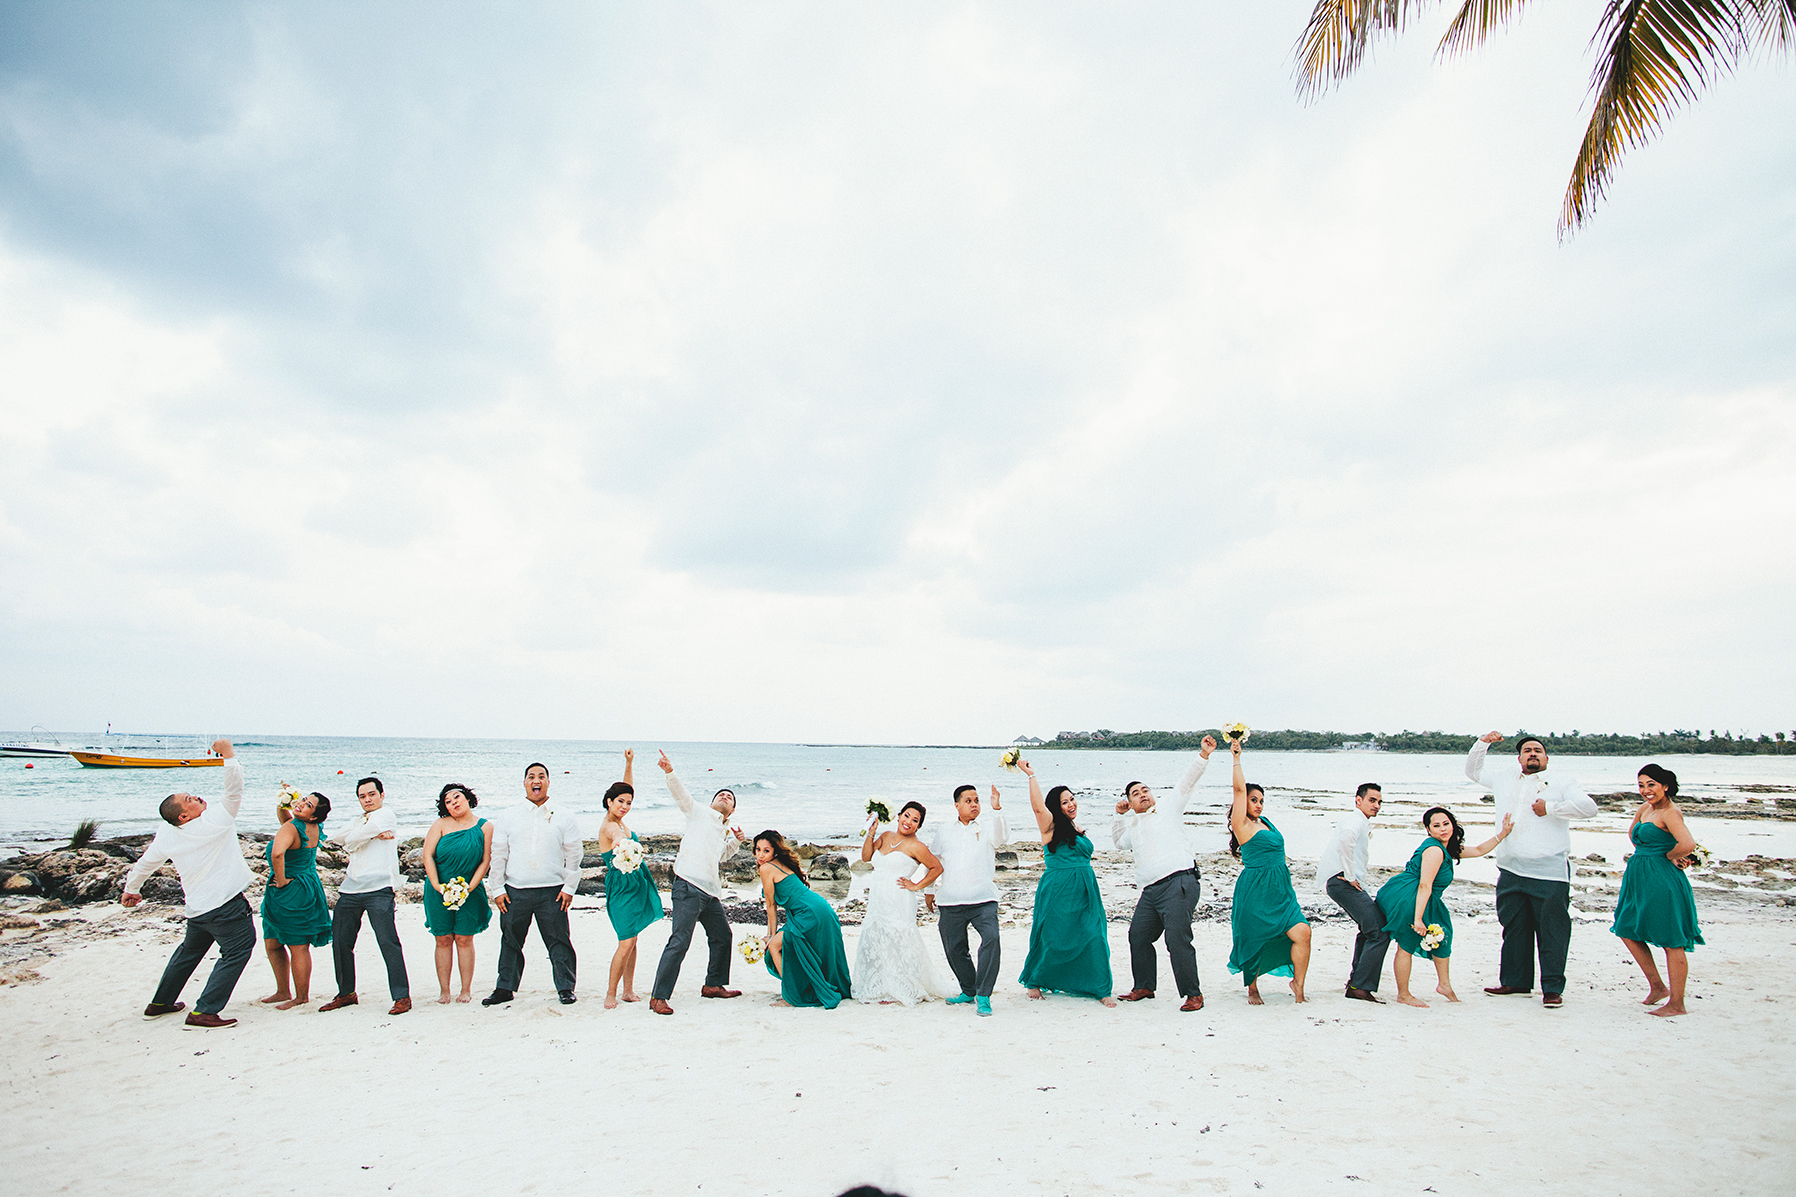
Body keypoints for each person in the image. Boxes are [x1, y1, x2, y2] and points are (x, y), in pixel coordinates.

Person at [121, 739, 257, 1029]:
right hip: (225, 905)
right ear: (184, 816)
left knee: (189, 952)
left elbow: (145, 863)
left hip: (198, 908)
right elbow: (234, 789)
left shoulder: (167, 832)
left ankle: (161, 1003)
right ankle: (204, 1011)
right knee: (237, 950)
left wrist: (132, 889)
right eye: (190, 800)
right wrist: (228, 755)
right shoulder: (216, 821)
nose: (196, 798)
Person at [1467, 732, 1598, 1008]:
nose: (1533, 753)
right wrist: (1483, 743)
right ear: (1519, 758)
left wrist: (1551, 808)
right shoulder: (1505, 778)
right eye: (1527, 750)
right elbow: (1473, 771)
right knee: (1514, 927)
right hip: (1511, 868)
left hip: (1549, 872)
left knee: (1553, 932)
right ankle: (1515, 982)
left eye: (1538, 750)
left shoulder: (1562, 782)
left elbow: (1589, 808)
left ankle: (1552, 988)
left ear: (1547, 758)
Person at [1112, 735, 1217, 1011]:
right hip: (1151, 891)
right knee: (1138, 935)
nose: (1142, 794)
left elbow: (1187, 781)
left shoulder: (1168, 808)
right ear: (1130, 802)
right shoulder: (1134, 826)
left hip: (1179, 882)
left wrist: (1203, 754)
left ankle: (1193, 994)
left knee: (1176, 938)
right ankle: (1144, 986)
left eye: (1145, 790)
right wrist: (1118, 815)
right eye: (1135, 794)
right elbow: (1119, 842)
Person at [1375, 807, 1513, 1007]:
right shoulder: (1434, 851)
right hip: (1409, 896)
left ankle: (1444, 985)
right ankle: (1403, 994)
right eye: (1436, 826)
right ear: (1428, 830)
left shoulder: (1446, 847)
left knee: (1442, 933)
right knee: (1407, 942)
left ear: (1452, 824)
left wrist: (1503, 833)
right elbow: (1425, 885)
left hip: (1418, 894)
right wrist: (1418, 918)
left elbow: (1478, 850)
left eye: (1446, 824)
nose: (1443, 829)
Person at [649, 751, 747, 1015]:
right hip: (688, 886)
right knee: (680, 940)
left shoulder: (722, 829)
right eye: (721, 795)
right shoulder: (699, 813)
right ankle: (658, 997)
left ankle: (713, 985)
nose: (724, 797)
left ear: (732, 810)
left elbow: (722, 855)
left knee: (722, 936)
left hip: (710, 892)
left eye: (729, 797)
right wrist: (670, 771)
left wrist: (737, 841)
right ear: (712, 803)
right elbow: (682, 796)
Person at [482, 762, 583, 1007]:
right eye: (531, 777)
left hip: (553, 891)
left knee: (559, 941)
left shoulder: (564, 815)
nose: (536, 780)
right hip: (515, 891)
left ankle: (566, 988)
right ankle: (505, 988)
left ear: (548, 782)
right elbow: (499, 854)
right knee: (510, 940)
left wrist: (569, 888)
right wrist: (497, 889)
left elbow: (573, 854)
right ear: (525, 783)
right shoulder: (508, 816)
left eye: (541, 776)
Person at [1017, 762, 1116, 1006]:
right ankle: (1035, 981)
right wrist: (1031, 775)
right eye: (1064, 802)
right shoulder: (1049, 827)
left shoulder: (1077, 827)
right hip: (1059, 888)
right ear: (1056, 807)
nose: (1071, 804)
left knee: (1094, 935)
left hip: (1085, 888)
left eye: (1072, 799)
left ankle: (1101, 989)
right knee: (1053, 937)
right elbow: (1038, 808)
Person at [1611, 763, 1704, 1017]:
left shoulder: (1671, 812)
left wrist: (1670, 856)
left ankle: (1677, 1003)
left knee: (1671, 939)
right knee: (1626, 927)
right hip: (1638, 876)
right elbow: (1635, 835)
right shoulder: (1645, 808)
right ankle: (1657, 987)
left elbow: (1687, 843)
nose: (1645, 790)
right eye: (1641, 785)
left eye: (1651, 784)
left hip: (1662, 879)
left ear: (1665, 786)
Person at [1225, 738, 1311, 1004]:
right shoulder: (1241, 825)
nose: (1259, 804)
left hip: (1281, 890)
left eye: (1261, 800)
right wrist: (1236, 757)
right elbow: (1239, 789)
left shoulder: (1265, 822)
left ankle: (1298, 984)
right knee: (1253, 939)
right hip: (1255, 889)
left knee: (1303, 933)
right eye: (1253, 800)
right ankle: (1252, 988)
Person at [321, 776, 411, 1015]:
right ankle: (346, 993)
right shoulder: (357, 820)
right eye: (362, 796)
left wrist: (361, 836)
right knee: (341, 941)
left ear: (382, 795)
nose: (367, 799)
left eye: (371, 794)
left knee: (387, 941)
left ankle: (402, 996)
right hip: (351, 888)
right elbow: (336, 838)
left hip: (379, 888)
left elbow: (351, 840)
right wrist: (368, 834)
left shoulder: (386, 815)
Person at [924, 782, 1007, 1017]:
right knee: (954, 949)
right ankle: (969, 990)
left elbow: (1002, 838)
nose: (974, 804)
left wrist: (997, 809)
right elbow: (933, 861)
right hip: (950, 900)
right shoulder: (945, 830)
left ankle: (984, 994)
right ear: (956, 805)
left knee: (991, 939)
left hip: (983, 899)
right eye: (968, 801)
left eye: (977, 800)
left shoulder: (988, 826)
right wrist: (929, 890)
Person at [852, 800, 945, 1005]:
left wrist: (917, 886)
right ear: (899, 816)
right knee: (877, 938)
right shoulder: (885, 836)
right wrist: (871, 833)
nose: (909, 822)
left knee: (897, 942)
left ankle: (899, 987)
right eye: (907, 816)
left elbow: (937, 868)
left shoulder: (917, 846)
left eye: (915, 820)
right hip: (878, 898)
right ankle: (880, 985)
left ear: (918, 826)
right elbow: (866, 857)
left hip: (899, 900)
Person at [597, 750, 665, 1009]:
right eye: (620, 802)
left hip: (637, 884)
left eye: (628, 803)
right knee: (625, 941)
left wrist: (629, 763)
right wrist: (620, 842)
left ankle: (628, 991)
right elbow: (616, 836)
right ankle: (610, 993)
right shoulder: (609, 826)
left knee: (633, 939)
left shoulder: (620, 818)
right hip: (621, 889)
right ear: (609, 802)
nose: (625, 806)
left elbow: (627, 789)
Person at [757, 830, 854, 1008]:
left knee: (774, 946)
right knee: (786, 947)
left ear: (775, 852)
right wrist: (770, 934)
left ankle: (791, 997)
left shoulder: (766, 868)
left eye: (766, 851)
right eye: (758, 850)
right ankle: (798, 990)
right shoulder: (779, 863)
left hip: (809, 913)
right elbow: (774, 906)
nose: (761, 855)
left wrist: (770, 936)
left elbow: (771, 906)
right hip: (818, 908)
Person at [258, 789, 334, 1010]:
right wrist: (285, 800)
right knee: (273, 941)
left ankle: (301, 997)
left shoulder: (292, 828)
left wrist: (281, 881)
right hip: (308, 883)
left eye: (308, 805)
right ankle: (283, 991)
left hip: (289, 888)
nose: (301, 804)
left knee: (297, 945)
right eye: (304, 800)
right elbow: (285, 818)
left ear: (313, 815)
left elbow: (277, 854)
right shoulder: (312, 827)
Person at [1316, 782, 1389, 1003]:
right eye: (1372, 800)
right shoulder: (1354, 820)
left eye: (1379, 802)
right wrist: (1350, 876)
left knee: (1370, 929)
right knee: (1379, 930)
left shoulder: (1360, 822)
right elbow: (1345, 842)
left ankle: (1356, 983)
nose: (1376, 805)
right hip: (1342, 881)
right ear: (1358, 800)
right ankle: (1359, 987)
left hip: (1342, 881)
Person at [423, 783, 494, 1004]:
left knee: (464, 938)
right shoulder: (440, 825)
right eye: (448, 801)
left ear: (468, 798)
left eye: (457, 797)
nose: (453, 803)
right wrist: (438, 886)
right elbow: (427, 855)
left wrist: (469, 888)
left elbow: (485, 860)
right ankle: (444, 991)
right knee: (443, 938)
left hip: (470, 889)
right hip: (439, 889)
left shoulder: (485, 827)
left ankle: (465, 989)